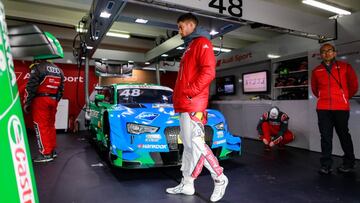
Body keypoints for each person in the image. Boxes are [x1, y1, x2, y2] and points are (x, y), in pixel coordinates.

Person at [166, 13, 228, 202]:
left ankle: (219, 177)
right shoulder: (190, 46)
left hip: (194, 103)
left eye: (181, 26)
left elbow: (208, 72)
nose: (179, 30)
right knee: (189, 146)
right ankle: (187, 183)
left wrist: (190, 92)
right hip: (186, 104)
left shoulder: (202, 43)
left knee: (197, 144)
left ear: (191, 25)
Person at [311, 43, 358, 175]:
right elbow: (315, 90)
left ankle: (349, 163)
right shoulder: (316, 71)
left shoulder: (345, 67)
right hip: (323, 108)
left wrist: (343, 97)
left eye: (329, 51)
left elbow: (353, 85)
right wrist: (323, 98)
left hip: (341, 108)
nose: (327, 53)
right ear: (321, 55)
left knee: (344, 135)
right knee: (325, 137)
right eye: (324, 51)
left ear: (335, 53)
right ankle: (326, 165)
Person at [24, 60, 65, 163]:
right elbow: (61, 90)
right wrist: (56, 99)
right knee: (50, 125)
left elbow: (31, 88)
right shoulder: (59, 70)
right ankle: (52, 151)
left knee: (41, 125)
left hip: (41, 100)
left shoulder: (38, 68)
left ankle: (45, 154)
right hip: (53, 100)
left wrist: (27, 103)